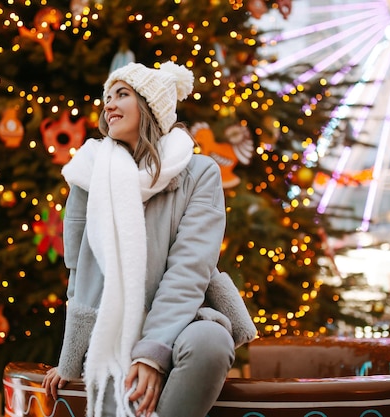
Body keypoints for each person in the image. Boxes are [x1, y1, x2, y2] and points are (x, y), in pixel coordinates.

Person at [42, 61, 256, 417]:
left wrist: (152, 353)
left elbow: (190, 268)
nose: (108, 104)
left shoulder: (199, 173)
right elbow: (79, 270)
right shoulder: (89, 174)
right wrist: (70, 360)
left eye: (122, 94)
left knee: (211, 342)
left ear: (150, 105)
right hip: (112, 324)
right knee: (112, 374)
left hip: (182, 319)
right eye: (107, 97)